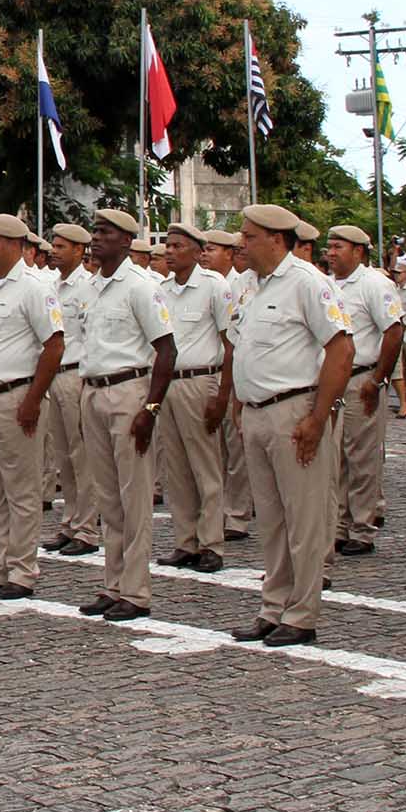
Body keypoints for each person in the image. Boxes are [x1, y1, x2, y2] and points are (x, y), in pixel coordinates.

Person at [221, 204, 354, 646]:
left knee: (304, 518)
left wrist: (319, 417)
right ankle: (273, 605)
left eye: (250, 236)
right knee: (273, 519)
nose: (242, 243)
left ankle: (301, 614)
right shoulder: (249, 286)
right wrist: (240, 403)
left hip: (293, 411)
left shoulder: (307, 283)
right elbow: (242, 346)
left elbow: (340, 350)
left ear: (277, 239)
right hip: (257, 412)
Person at [0, 215, 66, 599]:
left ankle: (23, 569)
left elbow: (54, 346)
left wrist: (33, 400)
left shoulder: (34, 288)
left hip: (15, 398)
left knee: (21, 490)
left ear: (16, 244)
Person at [74, 210, 175, 620]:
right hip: (94, 392)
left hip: (129, 391)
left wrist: (150, 407)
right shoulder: (93, 287)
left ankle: (135, 591)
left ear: (127, 240)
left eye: (105, 233)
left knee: (134, 498)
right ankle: (112, 583)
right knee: (108, 497)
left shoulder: (140, 287)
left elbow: (166, 350)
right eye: (95, 231)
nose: (96, 239)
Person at [151, 222, 230, 570]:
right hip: (168, 384)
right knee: (176, 467)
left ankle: (211, 542)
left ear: (198, 253)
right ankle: (186, 541)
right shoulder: (161, 289)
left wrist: (223, 395)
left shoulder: (215, 286)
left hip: (201, 381)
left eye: (177, 246)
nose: (169, 251)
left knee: (205, 466)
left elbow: (231, 344)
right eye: (167, 246)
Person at [324, 224, 403, 558]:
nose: (330, 253)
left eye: (337, 246)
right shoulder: (327, 284)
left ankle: (363, 527)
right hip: (335, 379)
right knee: (336, 456)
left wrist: (379, 379)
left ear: (358, 250)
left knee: (362, 455)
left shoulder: (375, 284)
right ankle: (341, 525)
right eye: (329, 246)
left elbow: (394, 331)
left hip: (362, 377)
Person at [42, 223, 100, 556]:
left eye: (61, 246)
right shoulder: (52, 286)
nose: (54, 251)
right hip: (54, 376)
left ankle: (87, 528)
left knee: (83, 456)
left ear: (79, 250)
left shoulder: (88, 287)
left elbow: (90, 335)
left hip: (76, 374)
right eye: (54, 245)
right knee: (63, 455)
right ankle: (70, 521)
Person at [208, 229, 257, 543]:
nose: (205, 255)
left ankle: (237, 515)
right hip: (212, 376)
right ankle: (222, 509)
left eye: (213, 250)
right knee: (218, 452)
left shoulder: (242, 286)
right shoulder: (213, 286)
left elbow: (233, 340)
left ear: (229, 254)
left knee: (237, 450)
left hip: (234, 374)